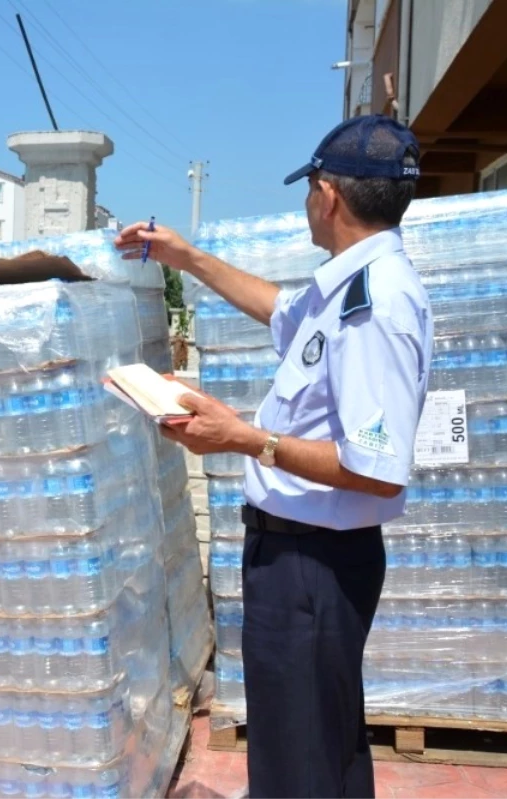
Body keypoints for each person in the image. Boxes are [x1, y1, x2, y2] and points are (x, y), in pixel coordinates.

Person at [117, 115, 433, 799]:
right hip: (302, 562)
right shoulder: (346, 284)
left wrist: (242, 437)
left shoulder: (374, 305)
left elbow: (376, 470)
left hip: (311, 568)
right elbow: (280, 309)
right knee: (320, 750)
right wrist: (187, 257)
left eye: (308, 191)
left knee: (298, 767)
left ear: (327, 194)